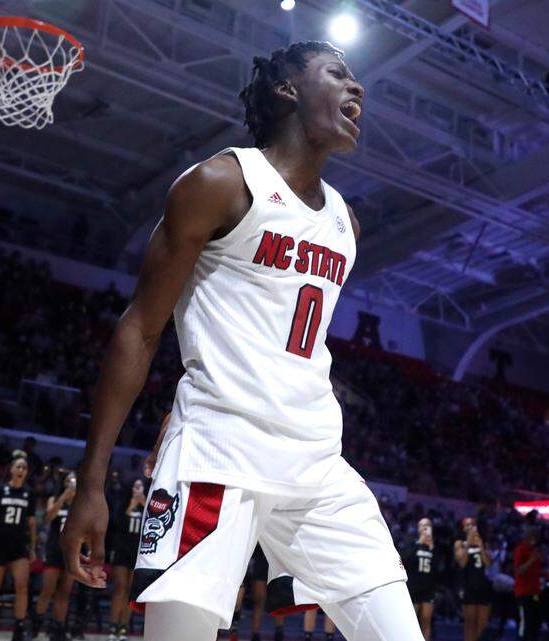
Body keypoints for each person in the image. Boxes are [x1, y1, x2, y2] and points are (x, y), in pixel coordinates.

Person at [62, 39, 423, 641]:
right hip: (216, 452)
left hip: (316, 461)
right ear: (287, 89)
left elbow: (279, 334)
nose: (357, 88)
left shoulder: (345, 221)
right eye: (337, 74)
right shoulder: (220, 181)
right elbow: (141, 327)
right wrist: (92, 484)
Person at [0, 456, 37, 641]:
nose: (21, 469)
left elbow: (32, 523)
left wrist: (33, 548)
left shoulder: (29, 493)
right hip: (0, 543)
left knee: (22, 587)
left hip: (20, 545)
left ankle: (19, 627)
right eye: (18, 466)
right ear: (11, 469)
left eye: (24, 467)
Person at [34, 470, 77, 641]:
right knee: (48, 590)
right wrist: (64, 496)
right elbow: (48, 517)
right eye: (69, 481)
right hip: (53, 549)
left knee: (64, 592)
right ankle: (37, 625)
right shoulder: (54, 498)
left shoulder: (80, 504)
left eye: (74, 482)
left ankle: (58, 628)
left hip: (71, 552)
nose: (71, 484)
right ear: (64, 483)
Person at [106, 478, 146, 641]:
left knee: (131, 592)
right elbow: (115, 525)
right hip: (122, 550)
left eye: (141, 486)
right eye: (136, 486)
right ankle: (113, 625)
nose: (138, 489)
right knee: (119, 588)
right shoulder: (124, 505)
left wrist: (143, 504)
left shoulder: (147, 506)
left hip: (137, 552)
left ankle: (123, 627)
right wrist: (131, 506)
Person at [454, 517, 493, 641]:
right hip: (468, 585)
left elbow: (488, 563)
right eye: (468, 525)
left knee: (482, 623)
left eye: (473, 524)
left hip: (483, 585)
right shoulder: (460, 543)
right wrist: (469, 543)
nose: (471, 527)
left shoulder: (483, 542)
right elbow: (462, 562)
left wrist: (481, 546)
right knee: (470, 624)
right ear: (464, 528)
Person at [405, 517, 438, 640]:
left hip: (429, 588)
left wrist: (432, 547)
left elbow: (439, 568)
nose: (425, 528)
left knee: (426, 620)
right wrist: (419, 542)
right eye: (422, 525)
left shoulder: (435, 546)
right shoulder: (413, 544)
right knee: (411, 621)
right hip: (414, 587)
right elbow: (406, 561)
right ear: (418, 528)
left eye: (428, 525)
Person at [513, 525, 543, 641]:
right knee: (524, 625)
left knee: (534, 625)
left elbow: (536, 571)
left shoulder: (535, 550)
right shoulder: (520, 549)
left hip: (535, 592)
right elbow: (518, 570)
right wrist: (531, 560)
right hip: (523, 593)